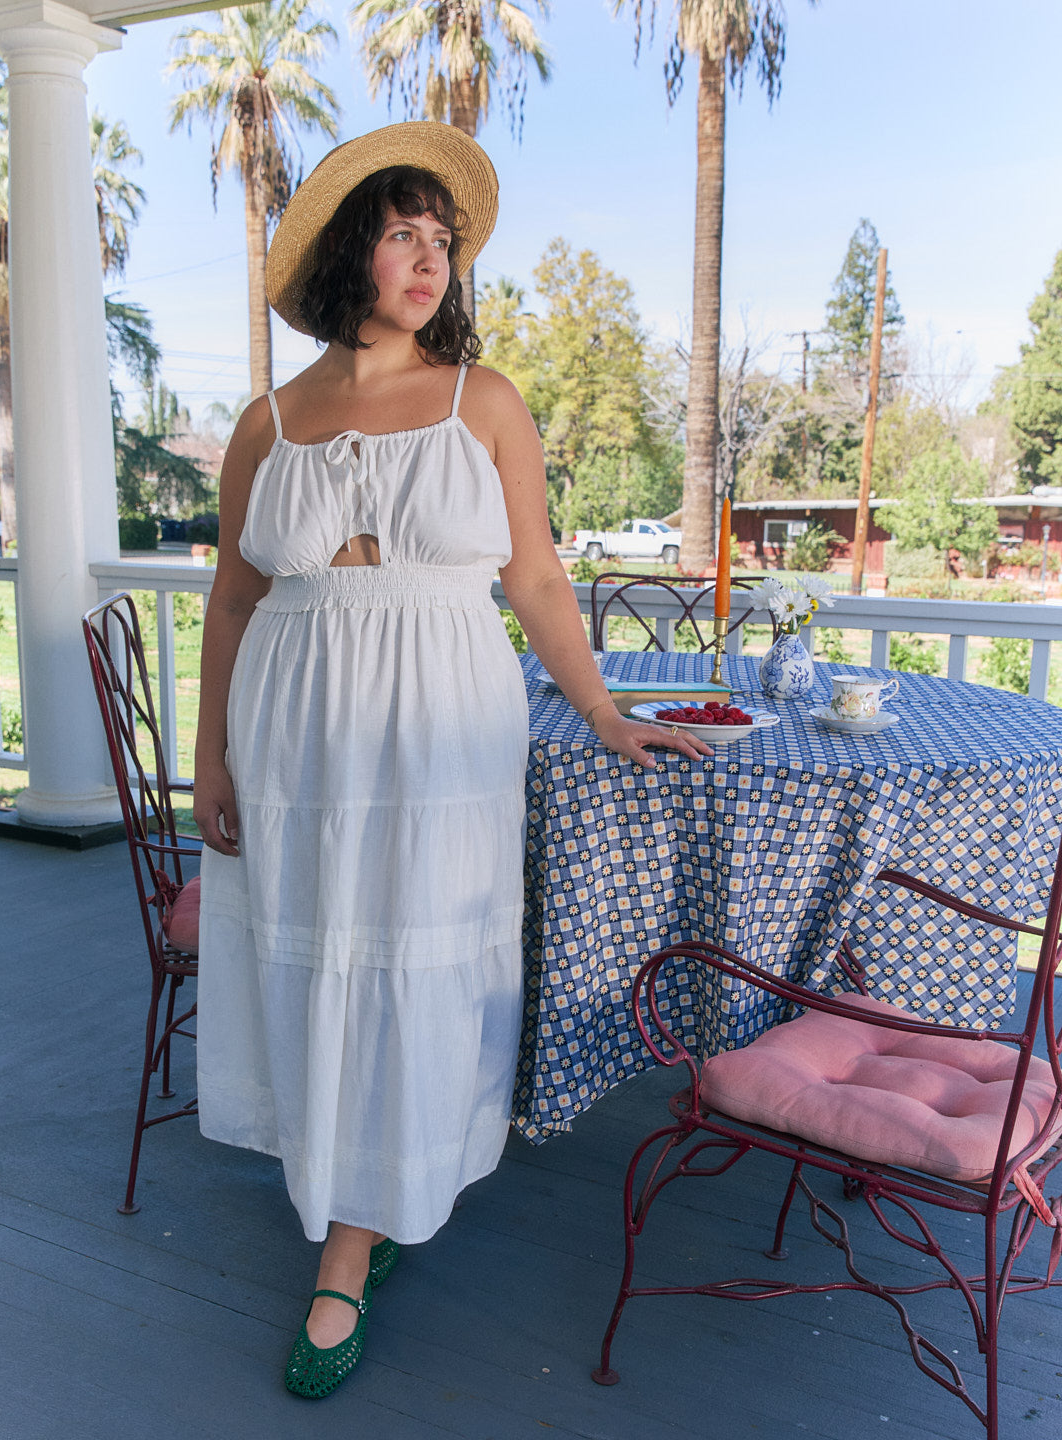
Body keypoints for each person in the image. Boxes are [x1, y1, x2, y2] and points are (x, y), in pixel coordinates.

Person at [192, 120, 708, 1400]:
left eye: (444, 242)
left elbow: (533, 574)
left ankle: (352, 1243)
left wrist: (597, 711)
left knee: (411, 956)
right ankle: (351, 1196)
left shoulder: (487, 401)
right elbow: (231, 601)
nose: (428, 261)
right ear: (346, 249)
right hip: (297, 729)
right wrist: (209, 761)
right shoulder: (266, 421)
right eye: (402, 232)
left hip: (441, 724)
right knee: (322, 953)